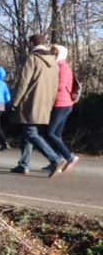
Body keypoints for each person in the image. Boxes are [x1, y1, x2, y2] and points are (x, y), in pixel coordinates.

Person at [9, 33, 63, 176]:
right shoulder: (54, 62)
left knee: (30, 133)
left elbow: (23, 82)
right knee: (28, 132)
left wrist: (14, 101)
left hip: (30, 102)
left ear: (32, 43)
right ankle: (23, 164)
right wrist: (50, 103)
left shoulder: (33, 59)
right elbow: (55, 86)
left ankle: (55, 159)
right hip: (45, 103)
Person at [44, 44, 81, 174]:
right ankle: (57, 162)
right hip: (62, 104)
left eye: (54, 53)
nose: (52, 55)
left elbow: (60, 86)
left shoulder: (63, 68)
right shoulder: (59, 67)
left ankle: (70, 156)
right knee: (57, 135)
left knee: (50, 133)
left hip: (62, 104)